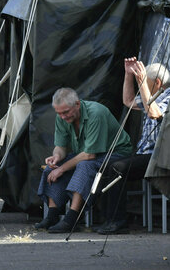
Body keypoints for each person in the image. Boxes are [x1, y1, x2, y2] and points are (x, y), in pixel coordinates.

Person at [35, 87, 134, 233]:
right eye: (59, 113)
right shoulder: (62, 116)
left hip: (115, 154)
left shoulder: (96, 113)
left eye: (66, 112)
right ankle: (52, 215)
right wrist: (57, 157)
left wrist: (62, 169)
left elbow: (90, 155)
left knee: (84, 166)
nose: (63, 117)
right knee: (52, 168)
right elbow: (60, 147)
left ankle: (72, 219)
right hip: (87, 154)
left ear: (77, 104)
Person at [98, 58, 170, 235]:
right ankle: (108, 219)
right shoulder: (153, 94)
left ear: (158, 83)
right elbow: (128, 100)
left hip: (159, 156)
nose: (141, 87)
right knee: (107, 165)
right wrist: (128, 75)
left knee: (117, 168)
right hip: (144, 154)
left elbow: (154, 113)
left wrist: (142, 82)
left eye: (144, 83)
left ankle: (118, 222)